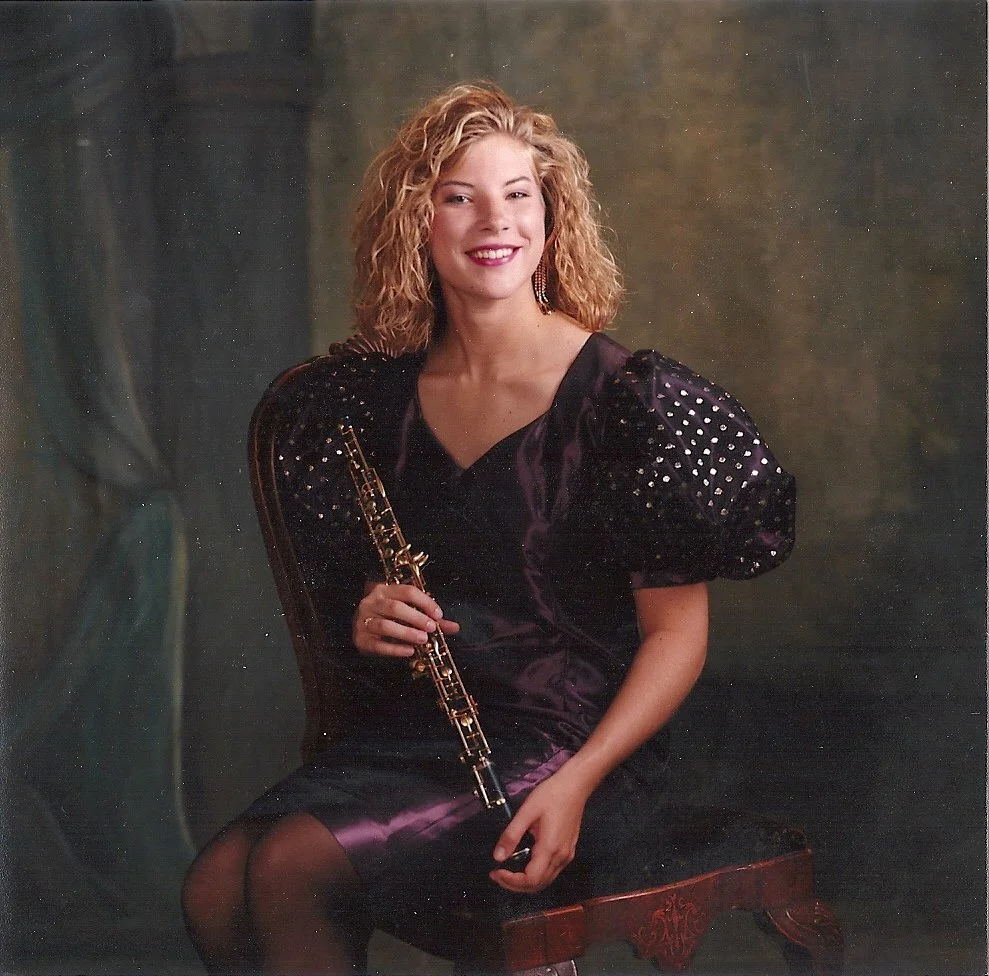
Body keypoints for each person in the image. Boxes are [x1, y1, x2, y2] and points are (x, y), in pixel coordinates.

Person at [181, 81, 796, 975]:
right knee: (214, 882)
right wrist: (370, 613)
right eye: (457, 197)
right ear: (415, 224)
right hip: (429, 729)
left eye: (516, 194)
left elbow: (677, 634)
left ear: (550, 216)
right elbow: (382, 595)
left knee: (287, 867)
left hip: (573, 744)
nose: (491, 221)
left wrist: (576, 783)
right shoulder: (375, 398)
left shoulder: (628, 399)